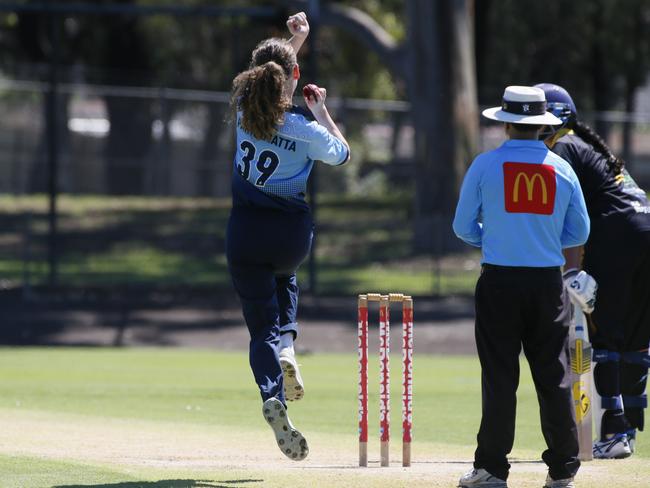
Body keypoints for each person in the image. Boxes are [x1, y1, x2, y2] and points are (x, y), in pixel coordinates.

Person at [226, 12, 350, 461]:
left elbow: (273, 72)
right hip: (290, 237)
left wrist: (294, 42)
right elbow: (341, 154)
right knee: (287, 279)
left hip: (244, 233)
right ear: (293, 78)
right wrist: (321, 111)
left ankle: (271, 388)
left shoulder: (242, 109)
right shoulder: (302, 127)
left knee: (261, 327)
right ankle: (289, 348)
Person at [453, 86, 590, 488]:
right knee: (554, 374)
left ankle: (493, 469)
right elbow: (579, 230)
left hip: (499, 280)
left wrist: (494, 237)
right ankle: (563, 468)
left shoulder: (484, 165)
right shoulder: (561, 169)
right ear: (541, 125)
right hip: (547, 285)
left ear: (507, 123)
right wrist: (541, 236)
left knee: (499, 375)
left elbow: (462, 227)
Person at [535, 83, 650, 459]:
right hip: (643, 229)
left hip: (615, 236)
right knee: (634, 339)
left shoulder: (564, 148)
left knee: (605, 334)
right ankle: (628, 430)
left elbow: (562, 214)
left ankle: (614, 432)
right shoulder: (584, 145)